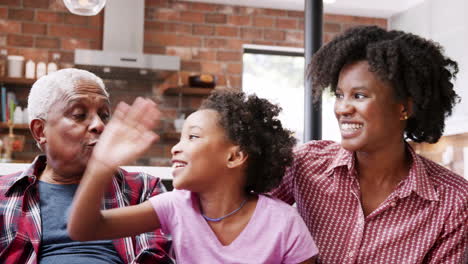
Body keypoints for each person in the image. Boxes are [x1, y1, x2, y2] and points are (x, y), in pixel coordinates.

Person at [272, 25, 468, 264]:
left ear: (404, 108)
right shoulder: (305, 164)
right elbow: (236, 213)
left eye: (359, 96)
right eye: (339, 94)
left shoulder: (453, 202)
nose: (342, 108)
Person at [67, 91, 318, 263]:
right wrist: (100, 167)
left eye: (193, 137)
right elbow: (84, 229)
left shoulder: (284, 223)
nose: (176, 148)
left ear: (234, 157)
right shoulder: (176, 205)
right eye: (179, 138)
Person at [0, 68, 173, 263]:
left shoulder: (144, 189)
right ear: (40, 131)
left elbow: (157, 258)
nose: (99, 125)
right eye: (79, 114)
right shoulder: (3, 194)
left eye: (105, 115)